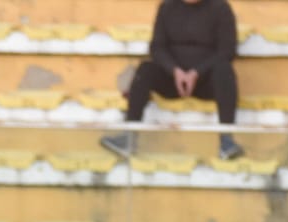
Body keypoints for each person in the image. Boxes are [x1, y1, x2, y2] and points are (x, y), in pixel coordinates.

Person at [100, 0, 245, 161]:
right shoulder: (167, 7)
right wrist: (175, 71)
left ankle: (226, 140)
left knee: (224, 71)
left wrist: (196, 73)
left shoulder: (220, 8)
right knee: (145, 69)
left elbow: (227, 51)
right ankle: (128, 137)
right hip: (172, 80)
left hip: (207, 81)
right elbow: (156, 47)